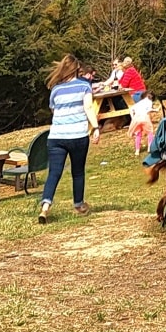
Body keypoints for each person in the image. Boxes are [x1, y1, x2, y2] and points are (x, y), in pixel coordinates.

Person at [39, 55, 100, 224]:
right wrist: (95, 127)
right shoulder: (84, 86)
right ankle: (79, 205)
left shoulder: (55, 89)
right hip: (77, 135)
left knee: (54, 172)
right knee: (78, 171)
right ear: (76, 69)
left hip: (56, 136)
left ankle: (45, 206)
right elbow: (88, 107)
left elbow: (54, 110)